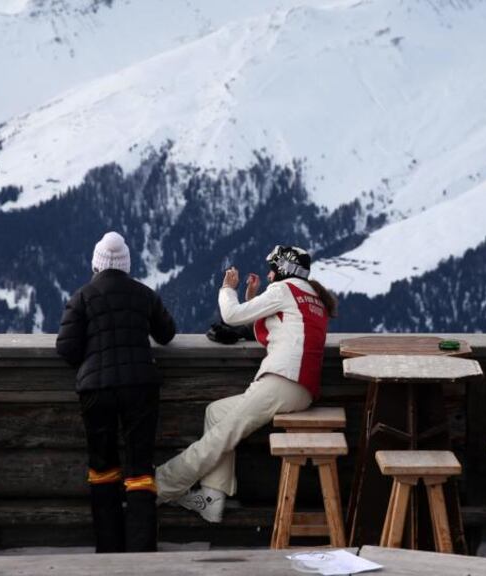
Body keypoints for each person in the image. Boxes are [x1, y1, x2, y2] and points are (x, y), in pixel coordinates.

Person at [155, 245, 337, 522]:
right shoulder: (312, 297)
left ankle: (157, 487)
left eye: (272, 269)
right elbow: (275, 332)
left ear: (283, 270)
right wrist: (253, 298)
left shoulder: (285, 289)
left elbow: (231, 316)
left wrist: (228, 288)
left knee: (219, 438)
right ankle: (212, 498)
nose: (269, 274)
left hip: (281, 380)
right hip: (302, 388)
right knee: (216, 413)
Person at [56, 231, 177, 553]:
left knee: (103, 466)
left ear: (96, 264)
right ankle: (141, 548)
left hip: (97, 390)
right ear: (125, 265)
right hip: (141, 386)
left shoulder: (81, 297)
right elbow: (167, 334)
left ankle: (108, 547)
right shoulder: (144, 295)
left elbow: (66, 349)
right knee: (140, 467)